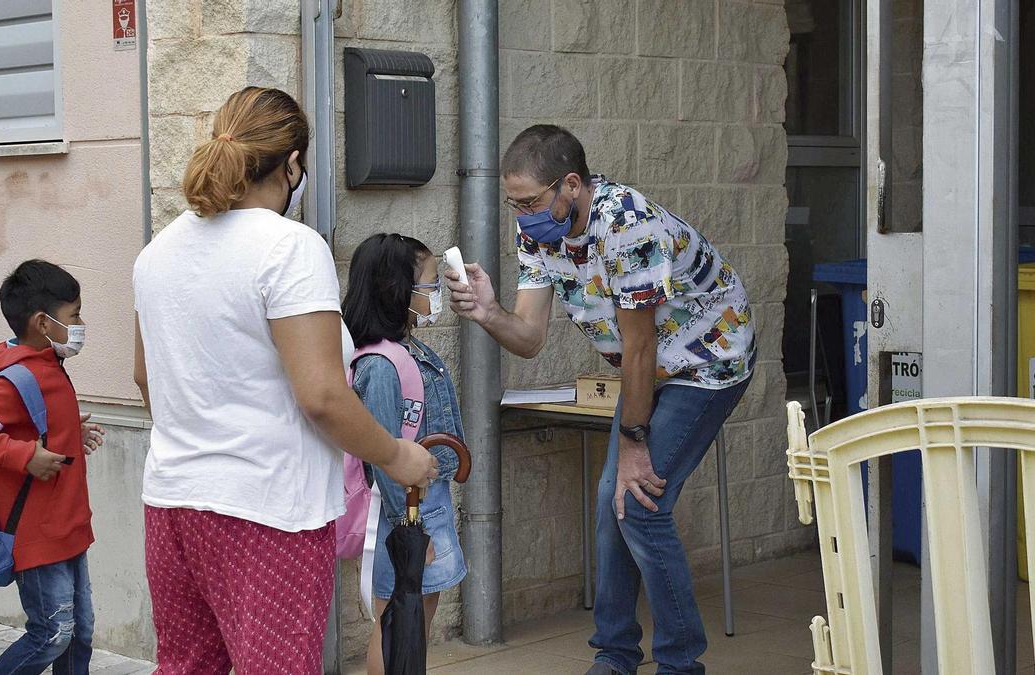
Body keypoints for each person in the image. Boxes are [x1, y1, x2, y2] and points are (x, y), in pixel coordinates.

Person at [131, 86, 437, 675]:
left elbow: (145, 377)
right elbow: (322, 395)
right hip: (270, 510)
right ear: (292, 164)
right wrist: (396, 455)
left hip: (172, 500)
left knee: (189, 666)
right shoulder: (290, 247)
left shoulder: (157, 252)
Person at [446, 125, 756, 675]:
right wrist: (489, 312)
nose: (522, 217)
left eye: (530, 202)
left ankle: (681, 664)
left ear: (571, 185)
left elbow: (639, 348)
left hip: (708, 362)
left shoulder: (628, 226)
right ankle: (615, 657)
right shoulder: (542, 231)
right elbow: (530, 338)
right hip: (652, 367)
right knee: (611, 502)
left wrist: (636, 443)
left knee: (638, 501)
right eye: (513, 205)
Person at [0, 259, 105, 673]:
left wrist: (71, 435)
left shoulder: (51, 366)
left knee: (80, 633)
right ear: (43, 322)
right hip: (38, 533)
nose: (81, 324)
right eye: (74, 315)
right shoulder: (18, 377)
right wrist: (26, 457)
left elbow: (37, 427)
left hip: (70, 525)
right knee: (52, 634)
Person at [342, 233, 467, 675]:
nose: (436, 294)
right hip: (408, 510)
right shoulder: (378, 364)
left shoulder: (405, 350)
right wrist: (408, 532)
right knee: (397, 619)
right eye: (430, 285)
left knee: (417, 618)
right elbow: (383, 456)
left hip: (426, 502)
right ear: (398, 291)